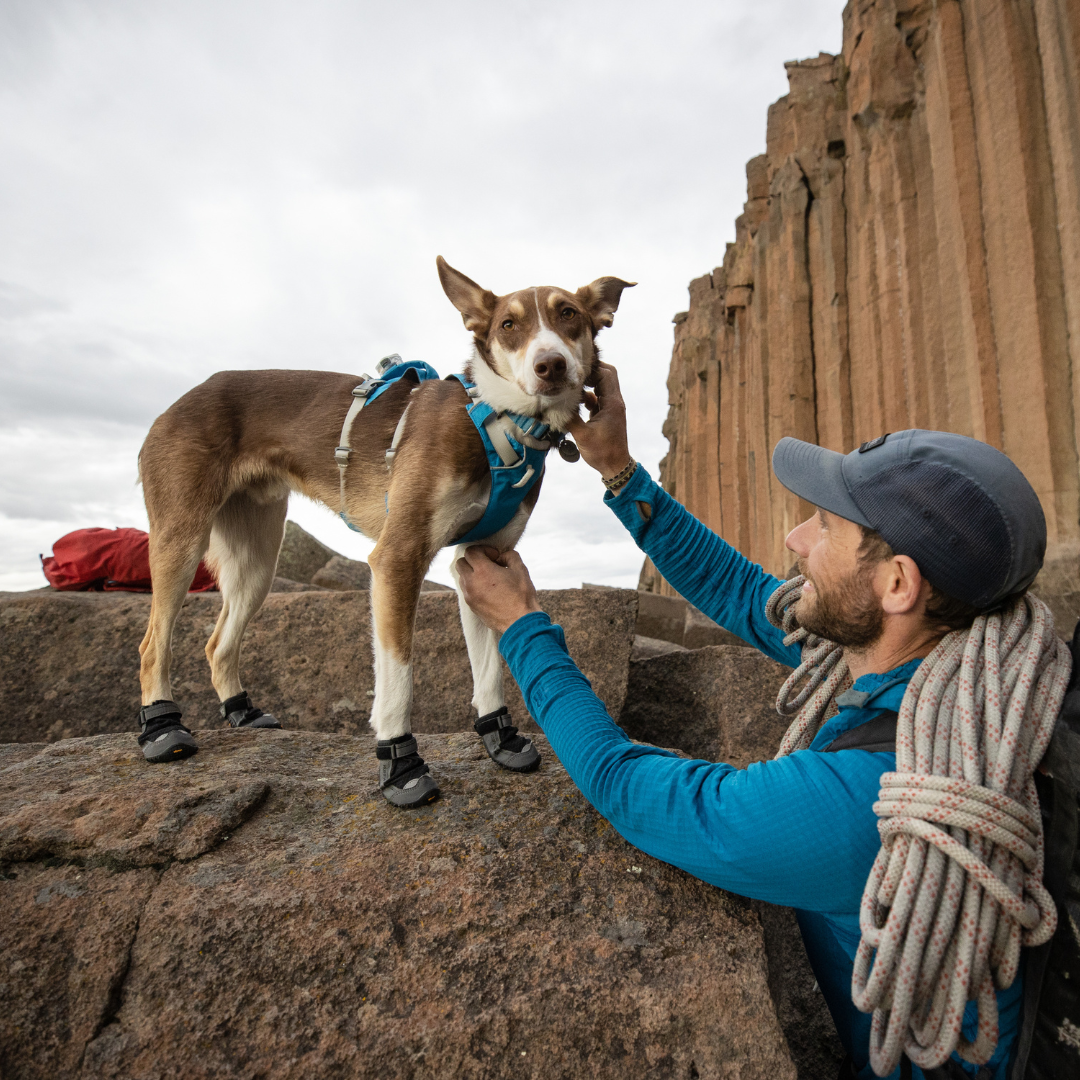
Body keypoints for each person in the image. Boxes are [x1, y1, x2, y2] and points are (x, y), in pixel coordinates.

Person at [456, 362, 1058, 1080]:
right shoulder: (978, 672)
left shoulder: (868, 799)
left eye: (828, 526)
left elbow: (628, 788)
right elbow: (750, 597)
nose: (798, 538)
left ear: (898, 584)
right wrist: (618, 474)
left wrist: (521, 627)